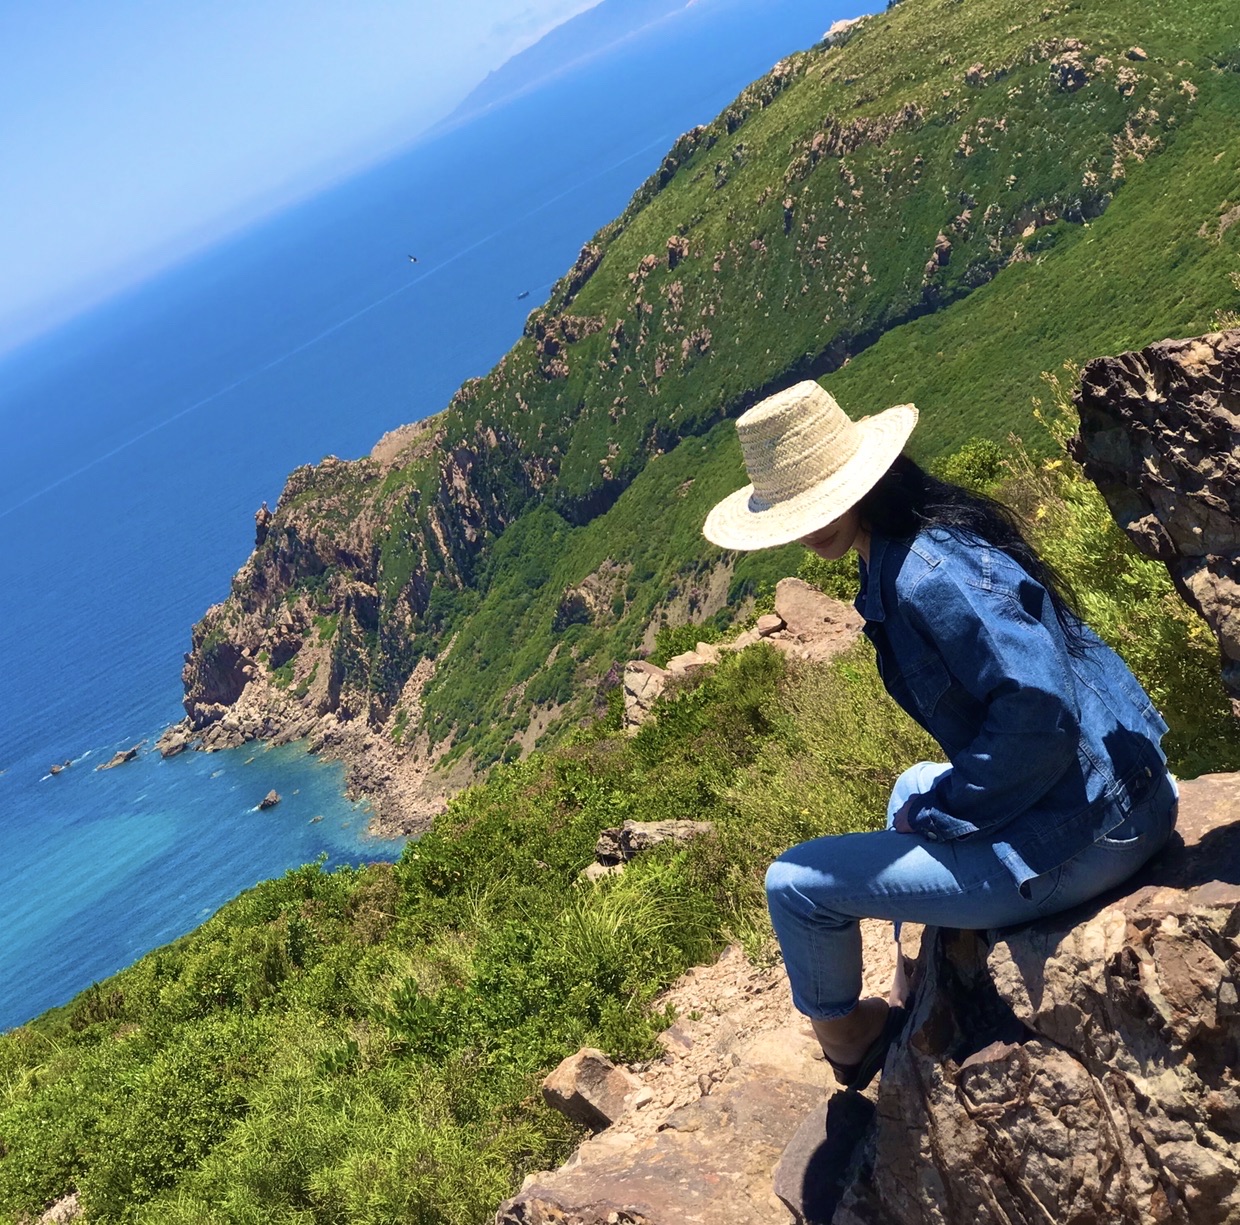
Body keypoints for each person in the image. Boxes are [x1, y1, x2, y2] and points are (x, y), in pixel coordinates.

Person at [702, 381, 1177, 1092]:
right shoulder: (919, 540)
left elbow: (1039, 712)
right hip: (1117, 799)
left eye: (822, 501)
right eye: (800, 510)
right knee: (909, 787)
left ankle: (851, 1038)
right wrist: (932, 805)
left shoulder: (925, 574)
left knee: (794, 885)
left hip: (1091, 837)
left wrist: (942, 811)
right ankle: (918, 986)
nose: (811, 527)